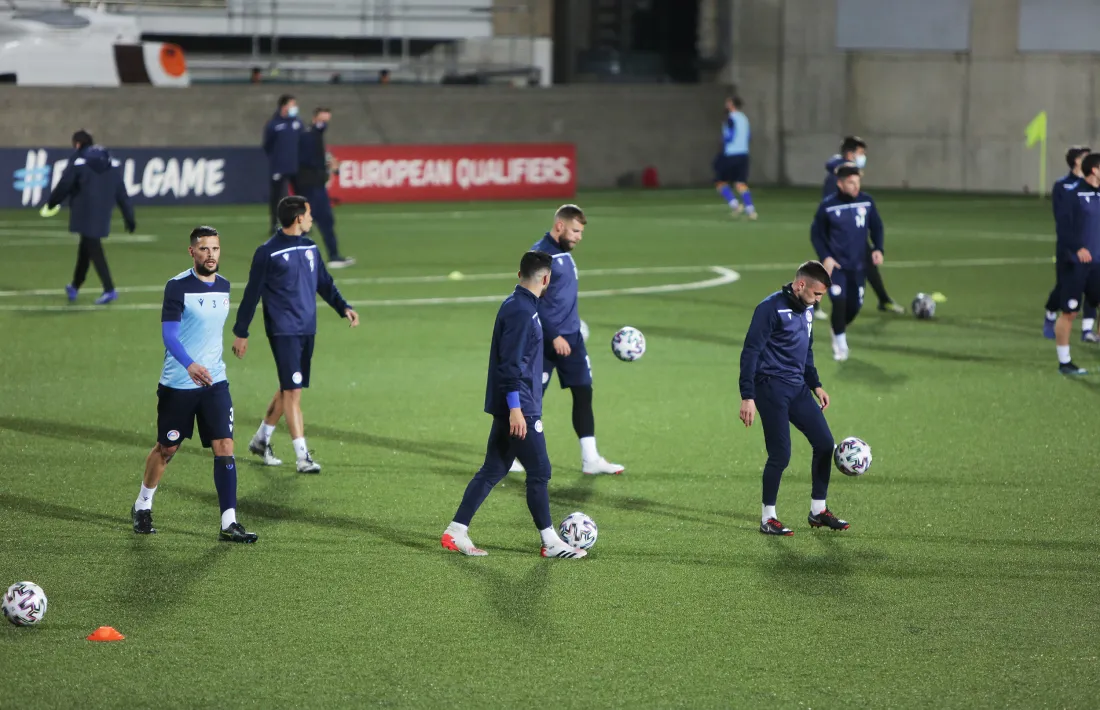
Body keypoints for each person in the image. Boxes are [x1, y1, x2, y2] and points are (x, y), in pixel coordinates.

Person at [441, 250, 588, 559]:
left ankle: (456, 530)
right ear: (546, 279)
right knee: (540, 471)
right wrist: (516, 409)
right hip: (520, 404)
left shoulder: (519, 304)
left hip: (515, 402)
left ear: (518, 274)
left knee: (493, 468)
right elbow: (510, 366)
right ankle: (551, 542)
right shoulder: (522, 312)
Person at [131, 226, 258, 543]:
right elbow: (170, 335)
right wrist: (189, 365)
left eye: (215, 249)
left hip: (215, 381)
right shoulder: (177, 286)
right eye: (204, 249)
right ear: (192, 252)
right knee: (167, 448)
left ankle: (229, 522)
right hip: (179, 383)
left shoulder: (225, 286)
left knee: (225, 445)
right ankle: (143, 504)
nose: (211, 255)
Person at [232, 196, 360, 472]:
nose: (312, 218)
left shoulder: (310, 247)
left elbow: (324, 283)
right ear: (298, 218)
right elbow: (251, 294)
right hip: (283, 330)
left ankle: (260, 440)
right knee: (293, 390)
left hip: (307, 328)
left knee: (290, 386)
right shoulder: (268, 252)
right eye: (309, 214)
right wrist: (241, 332)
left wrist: (343, 307)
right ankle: (302, 456)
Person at [509, 204, 623, 476]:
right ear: (559, 226)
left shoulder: (563, 253)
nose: (578, 236)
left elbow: (561, 298)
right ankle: (514, 455)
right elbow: (532, 302)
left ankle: (591, 459)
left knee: (583, 392)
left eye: (581, 232)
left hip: (572, 340)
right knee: (532, 399)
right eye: (574, 230)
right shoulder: (541, 255)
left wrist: (573, 327)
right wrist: (555, 335)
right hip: (546, 342)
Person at [738, 261, 848, 536]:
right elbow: (750, 351)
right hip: (770, 387)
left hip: (798, 388)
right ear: (801, 285)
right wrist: (747, 396)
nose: (818, 300)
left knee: (824, 444)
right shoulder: (770, 308)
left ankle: (818, 511)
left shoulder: (807, 310)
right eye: (816, 294)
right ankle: (768, 517)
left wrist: (816, 384)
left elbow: (806, 351)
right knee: (781, 454)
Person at [42, 130, 135, 306]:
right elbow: (121, 192)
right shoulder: (111, 162)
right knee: (86, 249)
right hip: (102, 212)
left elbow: (65, 184)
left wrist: (52, 203)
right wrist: (129, 216)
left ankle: (109, 289)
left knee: (94, 248)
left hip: (84, 211)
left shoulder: (78, 161)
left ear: (77, 144)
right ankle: (75, 286)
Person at [810, 162, 886, 362]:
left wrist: (878, 248)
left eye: (857, 182)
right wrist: (826, 256)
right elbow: (816, 234)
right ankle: (841, 344)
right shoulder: (828, 206)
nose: (855, 186)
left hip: (859, 265)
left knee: (854, 306)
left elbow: (877, 226)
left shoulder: (867, 202)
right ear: (840, 184)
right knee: (839, 302)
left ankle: (837, 328)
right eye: (851, 182)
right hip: (837, 267)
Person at [822, 136, 903, 315]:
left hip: (855, 233)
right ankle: (810, 305)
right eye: (861, 154)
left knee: (869, 265)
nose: (863, 157)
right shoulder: (836, 176)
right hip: (839, 233)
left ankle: (884, 300)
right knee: (830, 267)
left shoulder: (850, 174)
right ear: (850, 154)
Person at [1053, 152, 1100, 375]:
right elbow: (1063, 228)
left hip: (1098, 264)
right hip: (1075, 264)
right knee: (1070, 312)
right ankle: (1065, 362)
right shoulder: (1073, 194)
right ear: (1095, 170)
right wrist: (1077, 248)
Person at [1044, 145, 1096, 342]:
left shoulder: (1093, 187)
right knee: (1064, 286)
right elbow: (1061, 218)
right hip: (1069, 246)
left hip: (1091, 244)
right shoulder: (1064, 186)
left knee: (1092, 286)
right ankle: (1050, 313)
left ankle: (1087, 330)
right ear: (1077, 161)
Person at [297, 107, 355, 269]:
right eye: (323, 120)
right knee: (321, 220)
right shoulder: (310, 136)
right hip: (311, 184)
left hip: (313, 183)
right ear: (315, 119)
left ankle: (330, 255)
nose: (325, 124)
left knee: (315, 221)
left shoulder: (314, 136)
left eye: (326, 121)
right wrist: (325, 165)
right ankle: (333, 255)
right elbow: (307, 161)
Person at [262, 95, 302, 233]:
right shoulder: (274, 124)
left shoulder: (297, 123)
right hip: (279, 166)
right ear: (283, 106)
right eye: (292, 104)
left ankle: (300, 222)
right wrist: (276, 159)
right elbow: (267, 145)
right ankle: (275, 224)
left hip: (296, 166)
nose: (294, 108)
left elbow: (302, 142)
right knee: (277, 197)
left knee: (299, 196)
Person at [713, 95, 756, 220]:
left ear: (732, 104)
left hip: (731, 154)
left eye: (728, 103)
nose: (726, 105)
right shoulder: (744, 118)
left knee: (720, 182)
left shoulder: (731, 118)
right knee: (741, 183)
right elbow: (749, 136)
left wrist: (723, 140)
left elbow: (730, 136)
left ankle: (735, 204)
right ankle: (750, 210)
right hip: (744, 153)